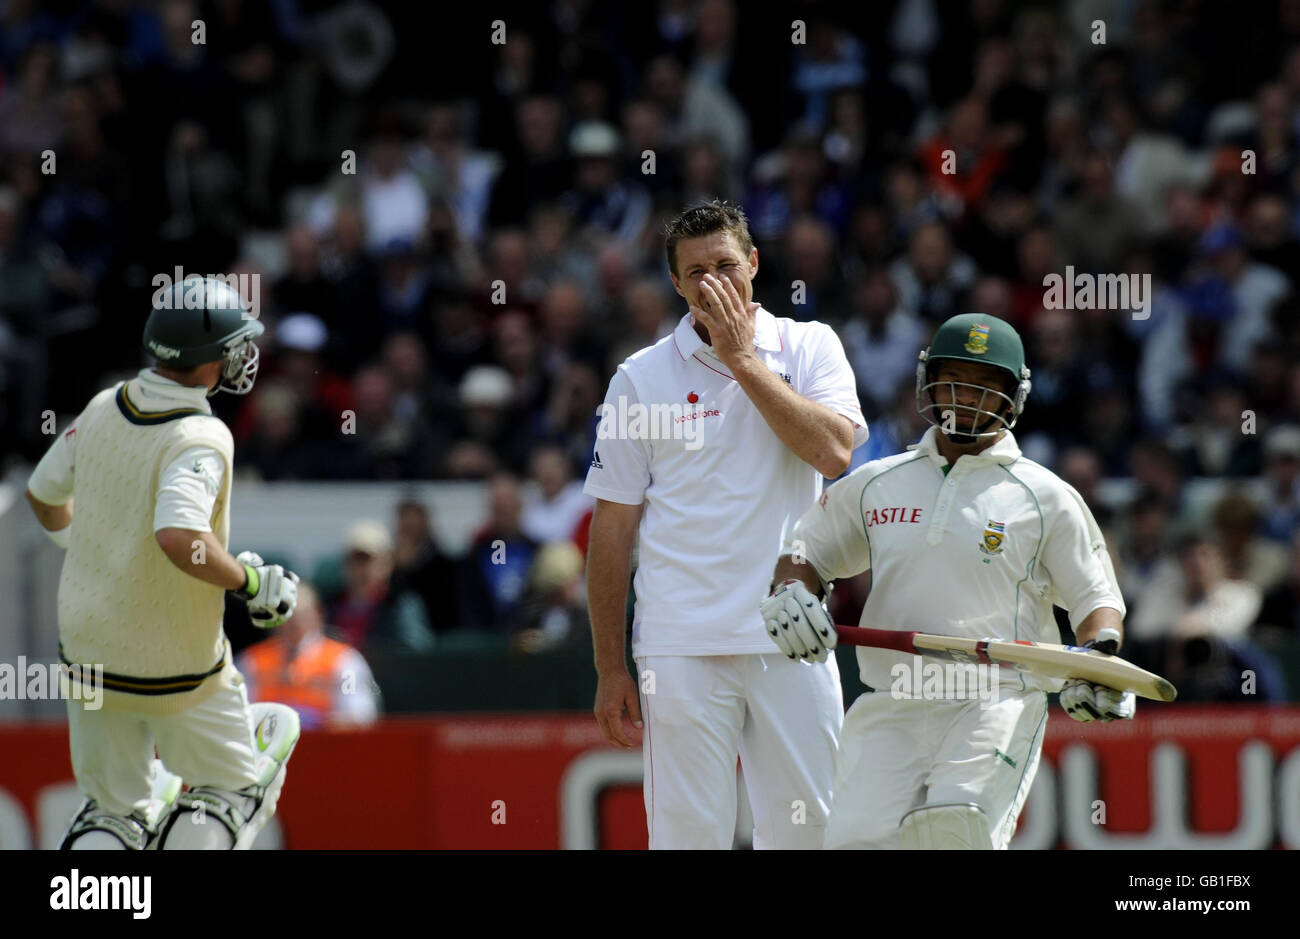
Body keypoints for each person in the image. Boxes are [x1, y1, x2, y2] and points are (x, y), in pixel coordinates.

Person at [762, 312, 1130, 850]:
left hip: (995, 698)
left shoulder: (1044, 496)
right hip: (892, 700)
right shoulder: (877, 481)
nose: (966, 397)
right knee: (853, 844)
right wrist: (791, 593)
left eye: (985, 386)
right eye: (954, 380)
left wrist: (1097, 660)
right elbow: (806, 552)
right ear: (928, 382)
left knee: (952, 831)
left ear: (1014, 397)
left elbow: (1097, 602)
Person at [585, 200, 867, 849]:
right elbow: (612, 531)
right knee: (688, 838)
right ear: (677, 284)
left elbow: (833, 452)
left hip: (792, 635)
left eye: (726, 265)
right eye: (697, 272)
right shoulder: (638, 378)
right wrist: (608, 666)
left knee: (816, 832)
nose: (713, 282)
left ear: (755, 265)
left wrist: (745, 361)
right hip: (678, 645)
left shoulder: (810, 344)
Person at [25, 276, 302, 850]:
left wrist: (90, 547)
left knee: (112, 814)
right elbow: (180, 537)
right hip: (176, 667)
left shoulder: (104, 405)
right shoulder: (201, 434)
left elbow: (43, 495)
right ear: (208, 361)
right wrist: (251, 582)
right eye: (233, 346)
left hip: (88, 659)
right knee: (237, 780)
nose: (241, 356)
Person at [238, 583, 381, 729]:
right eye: (287, 614)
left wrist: (319, 721)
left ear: (317, 614)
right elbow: (238, 712)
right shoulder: (252, 660)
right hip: (266, 743)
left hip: (324, 743)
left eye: (301, 614)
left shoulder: (345, 661)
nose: (294, 622)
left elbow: (361, 714)